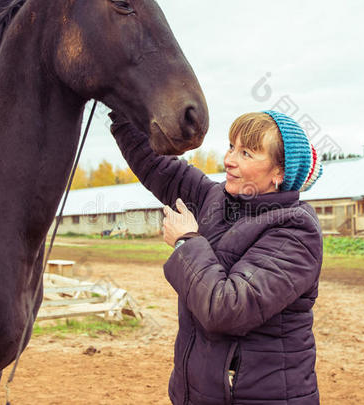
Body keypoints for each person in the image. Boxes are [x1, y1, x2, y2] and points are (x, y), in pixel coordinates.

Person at [109, 110, 323, 405]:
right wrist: (122, 110)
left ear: (280, 173)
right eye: (231, 146)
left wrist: (186, 242)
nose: (229, 159)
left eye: (246, 153)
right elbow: (156, 164)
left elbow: (226, 309)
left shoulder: (296, 230)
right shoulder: (214, 198)